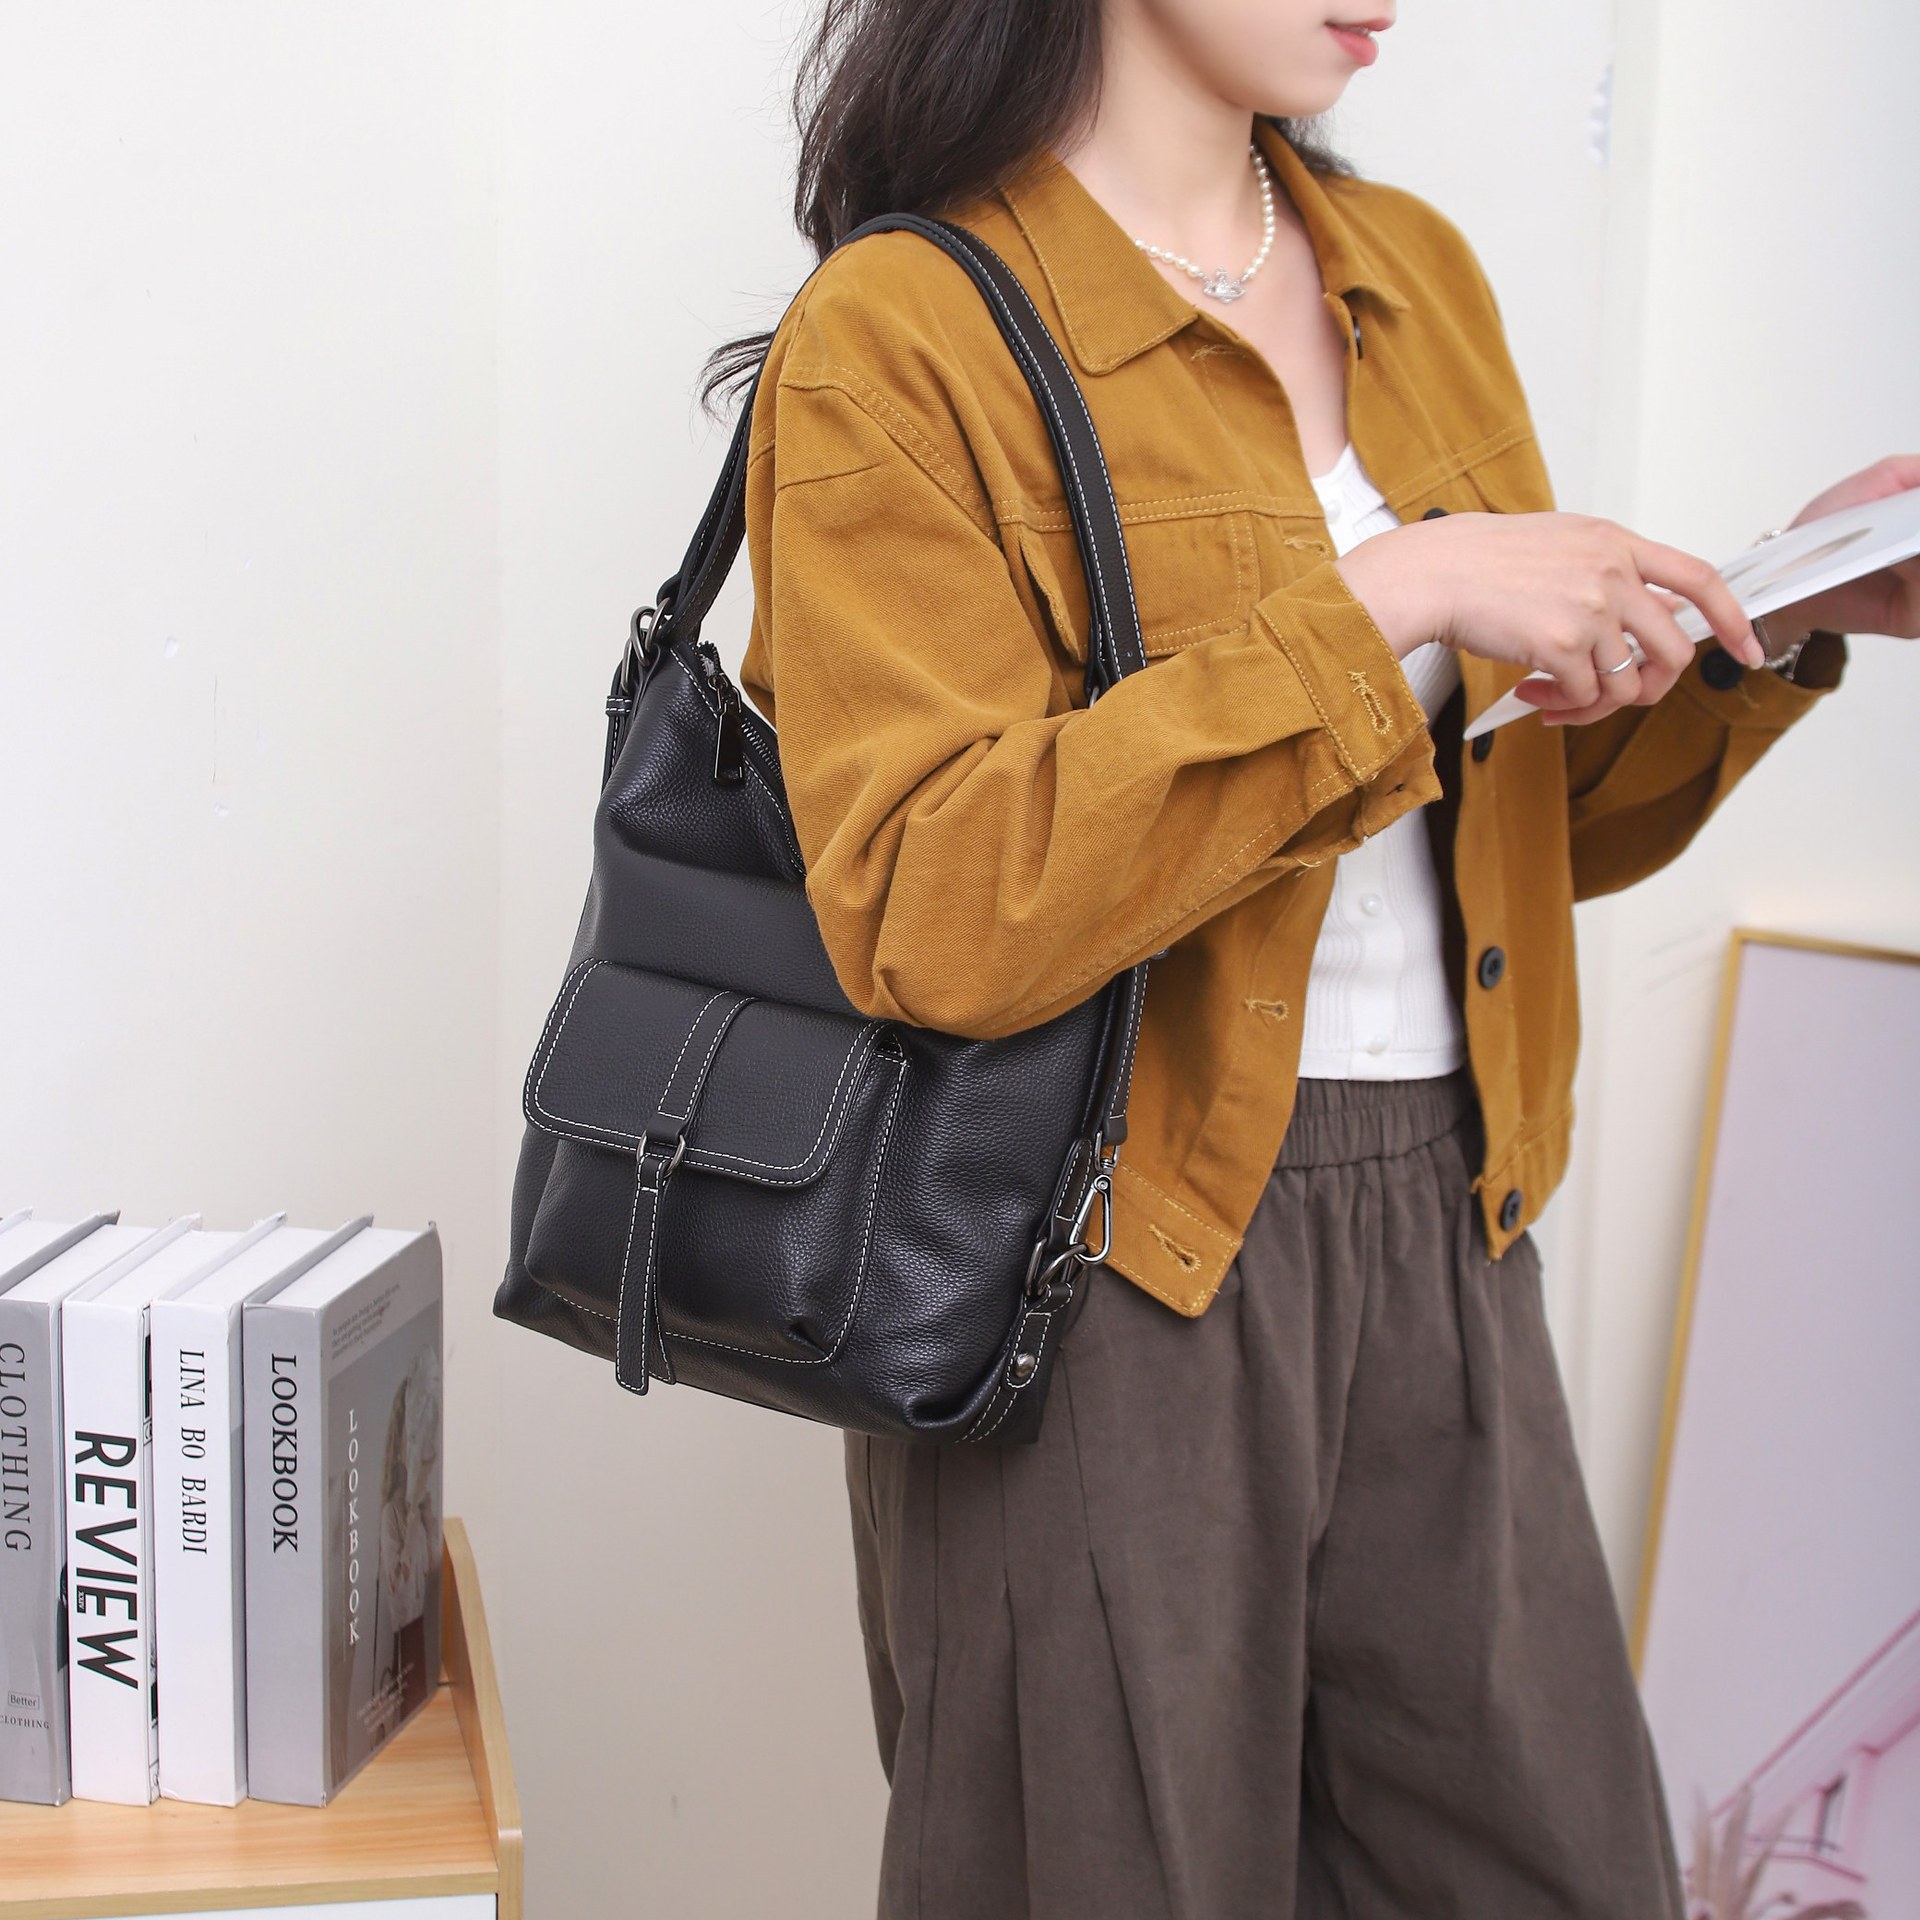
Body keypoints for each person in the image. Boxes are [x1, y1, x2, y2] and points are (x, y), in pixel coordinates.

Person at [711, 1, 1920, 1913]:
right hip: (1103, 1266)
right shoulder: (906, 330)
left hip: (1451, 1217)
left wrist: (1785, 606)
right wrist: (1400, 596)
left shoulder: (1410, 274)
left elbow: (1523, 830)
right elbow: (933, 911)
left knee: (1557, 1865)